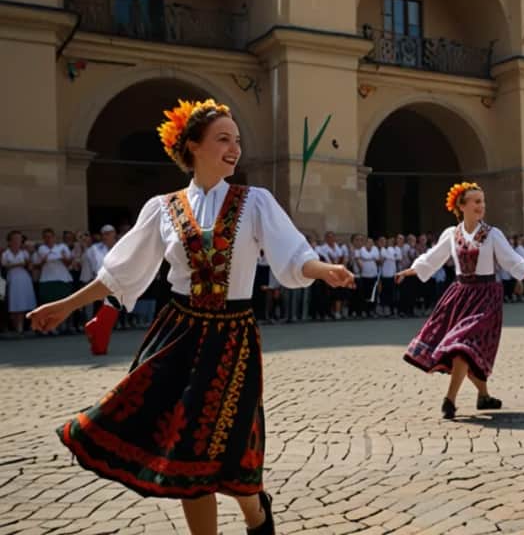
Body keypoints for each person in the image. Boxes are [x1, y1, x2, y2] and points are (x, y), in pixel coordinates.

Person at [28, 98, 354, 535]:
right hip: (179, 334)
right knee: (185, 451)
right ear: (193, 146)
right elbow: (121, 272)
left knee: (230, 447)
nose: (234, 148)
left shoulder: (255, 201)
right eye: (223, 139)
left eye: (237, 140)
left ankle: (256, 513)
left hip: (233, 338)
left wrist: (323, 270)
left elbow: (291, 252)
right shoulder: (162, 208)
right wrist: (65, 305)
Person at [396, 182, 524, 419]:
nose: (482, 206)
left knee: (463, 345)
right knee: (468, 350)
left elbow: (511, 260)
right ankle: (484, 396)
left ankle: (449, 400)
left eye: (483, 201)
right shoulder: (451, 234)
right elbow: (433, 257)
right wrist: (411, 271)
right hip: (460, 295)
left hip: (486, 295)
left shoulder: (492, 234)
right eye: (476, 201)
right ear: (462, 205)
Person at [34, 228, 74, 335]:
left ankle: (64, 326)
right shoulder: (41, 249)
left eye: (50, 237)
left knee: (63, 304)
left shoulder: (62, 247)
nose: (48, 239)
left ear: (54, 238)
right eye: (46, 237)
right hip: (47, 280)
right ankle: (49, 327)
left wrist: (63, 258)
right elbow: (37, 265)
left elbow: (69, 262)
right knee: (48, 305)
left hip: (62, 279)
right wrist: (46, 258)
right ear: (43, 238)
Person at [2, 231, 36, 335]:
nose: (17, 241)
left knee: (24, 303)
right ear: (9, 241)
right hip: (12, 280)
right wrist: (20, 264)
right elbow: (5, 266)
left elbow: (30, 266)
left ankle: (22, 328)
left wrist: (29, 257)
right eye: (15, 239)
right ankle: (16, 327)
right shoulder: (5, 253)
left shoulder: (24, 253)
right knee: (14, 304)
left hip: (24, 279)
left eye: (19, 239)